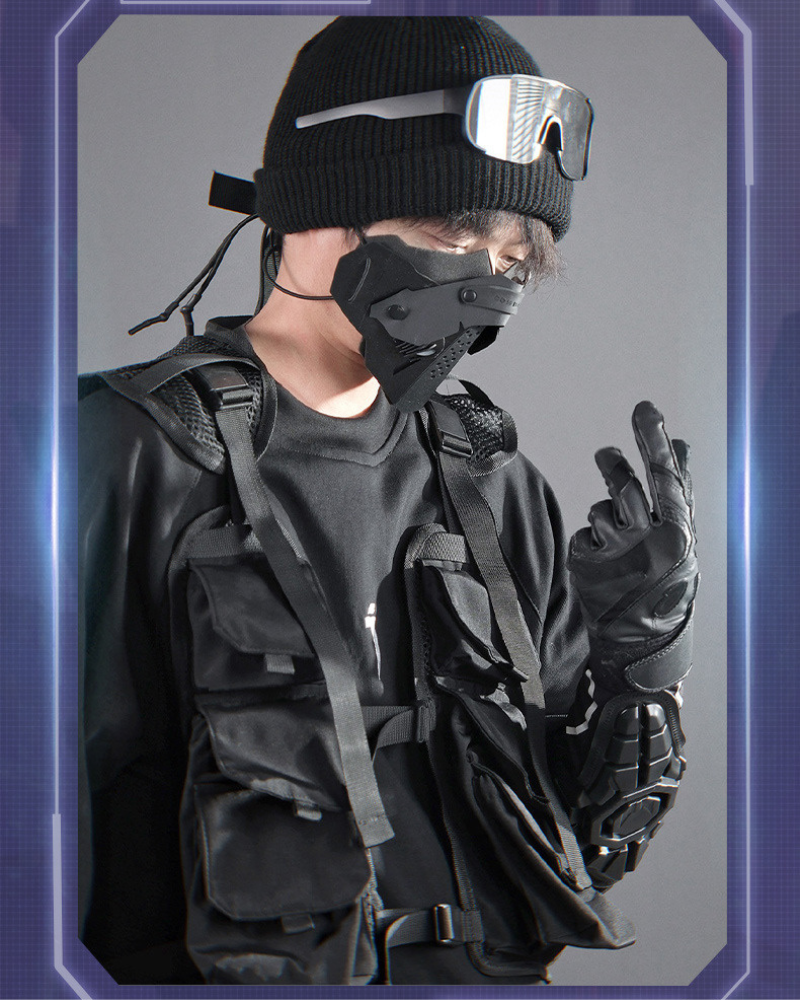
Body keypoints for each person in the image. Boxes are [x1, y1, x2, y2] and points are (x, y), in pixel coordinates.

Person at [78, 15, 699, 987]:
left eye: (512, 259)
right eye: (455, 234)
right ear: (324, 202)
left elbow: (579, 857)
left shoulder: (493, 480)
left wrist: (640, 665)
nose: (486, 285)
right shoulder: (128, 454)